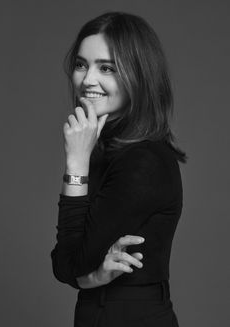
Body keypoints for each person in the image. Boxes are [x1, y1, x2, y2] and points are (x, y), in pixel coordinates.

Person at [51, 11, 187, 327]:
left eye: (107, 68)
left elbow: (69, 262)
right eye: (81, 65)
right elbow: (69, 267)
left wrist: (75, 163)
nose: (87, 80)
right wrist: (92, 277)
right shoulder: (108, 151)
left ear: (139, 76)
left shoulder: (144, 162)